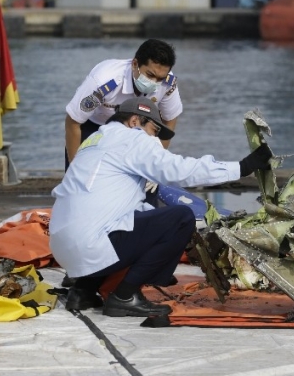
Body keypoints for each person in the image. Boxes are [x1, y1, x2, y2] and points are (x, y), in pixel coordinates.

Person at [49, 97, 273, 317]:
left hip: (63, 249)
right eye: (154, 130)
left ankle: (83, 291)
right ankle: (124, 297)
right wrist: (241, 168)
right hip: (90, 245)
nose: (156, 139)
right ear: (135, 121)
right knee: (180, 219)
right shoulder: (133, 138)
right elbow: (179, 170)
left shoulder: (93, 142)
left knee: (131, 221)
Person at [64, 39, 182, 169]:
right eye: (150, 75)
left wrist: (155, 164)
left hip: (134, 131)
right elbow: (73, 123)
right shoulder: (104, 81)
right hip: (94, 126)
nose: (154, 83)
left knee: (145, 184)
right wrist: (75, 168)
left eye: (160, 79)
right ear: (134, 64)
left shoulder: (168, 82)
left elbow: (169, 121)